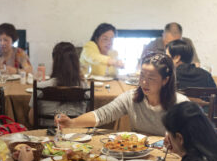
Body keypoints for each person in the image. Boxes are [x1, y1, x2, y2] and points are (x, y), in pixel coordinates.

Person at [56, 53, 189, 136]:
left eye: (151, 78)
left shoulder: (181, 104)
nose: (144, 82)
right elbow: (102, 114)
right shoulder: (131, 98)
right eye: (142, 75)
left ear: (165, 80)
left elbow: (194, 139)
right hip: (136, 155)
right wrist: (72, 122)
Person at [28, 42, 89, 126]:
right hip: (76, 135)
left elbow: (32, 120)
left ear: (54, 61)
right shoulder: (85, 88)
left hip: (46, 135)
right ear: (76, 61)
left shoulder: (40, 87)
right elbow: (88, 118)